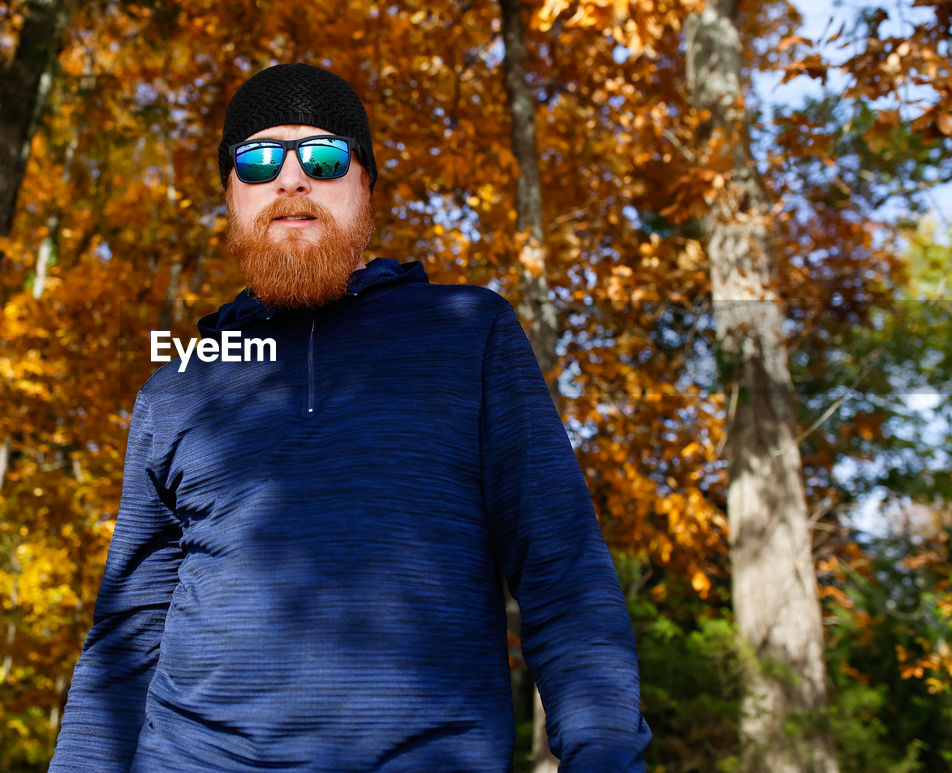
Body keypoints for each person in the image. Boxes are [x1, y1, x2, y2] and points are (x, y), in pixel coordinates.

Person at [49, 63, 651, 772]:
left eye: (326, 157)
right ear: (231, 196)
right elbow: (126, 635)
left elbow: (564, 577)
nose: (291, 179)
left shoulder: (469, 334)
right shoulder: (179, 382)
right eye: (259, 160)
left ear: (366, 189)